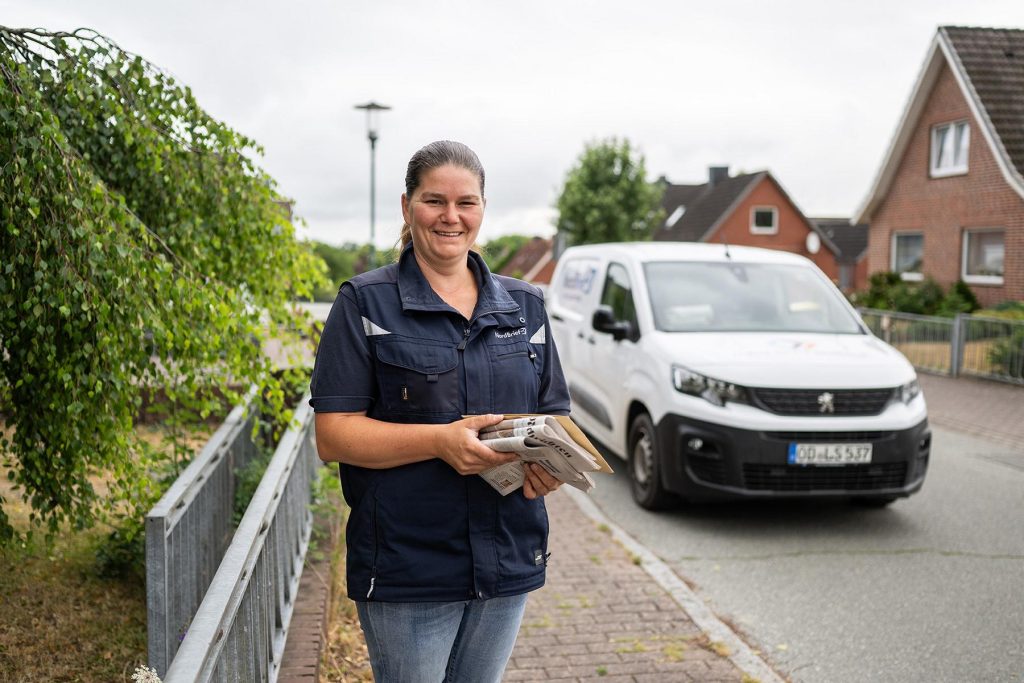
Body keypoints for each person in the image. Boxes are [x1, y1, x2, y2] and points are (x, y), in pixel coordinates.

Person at [309, 140, 571, 682]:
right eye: (434, 201)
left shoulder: (526, 307)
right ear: (407, 207)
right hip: (410, 568)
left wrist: (550, 470)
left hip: (507, 559)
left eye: (466, 202)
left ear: (482, 208)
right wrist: (438, 442)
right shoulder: (365, 303)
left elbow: (553, 418)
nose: (451, 217)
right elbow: (333, 435)